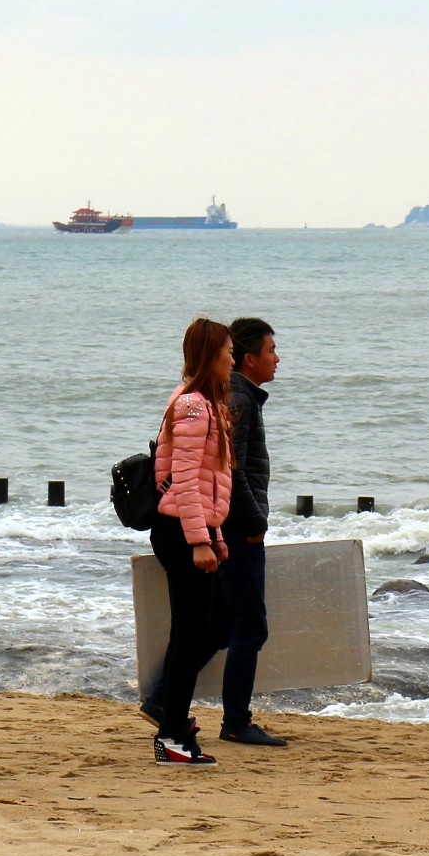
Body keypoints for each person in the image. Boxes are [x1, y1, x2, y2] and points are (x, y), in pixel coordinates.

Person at [140, 316, 237, 766]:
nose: (232, 359)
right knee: (192, 635)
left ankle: (174, 727)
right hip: (181, 531)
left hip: (188, 529)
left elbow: (199, 480)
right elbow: (183, 481)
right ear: (210, 356)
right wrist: (201, 539)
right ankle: (172, 733)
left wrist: (214, 536)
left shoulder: (199, 403)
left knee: (192, 633)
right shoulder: (194, 406)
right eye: (228, 352)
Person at [215, 316, 284, 747]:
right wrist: (255, 520)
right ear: (248, 358)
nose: (277, 358)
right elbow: (232, 469)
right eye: (271, 350)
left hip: (231, 525)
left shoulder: (240, 395)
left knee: (221, 624)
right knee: (251, 627)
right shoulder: (238, 397)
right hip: (239, 529)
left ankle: (164, 698)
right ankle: (237, 721)